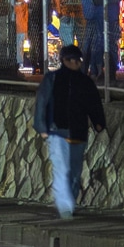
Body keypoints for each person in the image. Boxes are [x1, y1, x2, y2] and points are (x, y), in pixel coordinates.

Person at [33, 42, 106, 217]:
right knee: (62, 169)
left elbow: (94, 104)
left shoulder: (85, 82)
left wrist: (98, 122)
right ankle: (66, 207)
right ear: (64, 60)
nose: (76, 63)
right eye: (72, 60)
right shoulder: (53, 78)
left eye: (78, 60)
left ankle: (69, 202)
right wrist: (42, 127)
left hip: (78, 132)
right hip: (57, 131)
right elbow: (41, 103)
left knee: (74, 172)